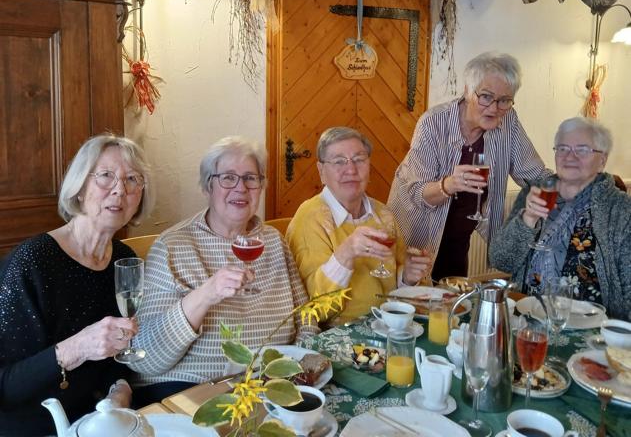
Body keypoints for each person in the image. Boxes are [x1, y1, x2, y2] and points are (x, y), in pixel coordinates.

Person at [130, 136, 318, 405]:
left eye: (250, 178)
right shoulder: (173, 246)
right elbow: (146, 357)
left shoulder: (273, 241)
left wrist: (301, 365)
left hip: (270, 383)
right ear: (208, 186)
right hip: (192, 388)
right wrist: (207, 294)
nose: (241, 188)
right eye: (228, 178)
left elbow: (306, 316)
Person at [0, 134, 154, 436]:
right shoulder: (32, 263)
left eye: (132, 179)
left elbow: (118, 356)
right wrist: (78, 347)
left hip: (95, 422)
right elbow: (5, 386)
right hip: (32, 426)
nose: (120, 190)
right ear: (80, 188)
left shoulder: (124, 259)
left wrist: (120, 392)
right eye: (106, 175)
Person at [387, 51, 550, 281]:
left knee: (451, 298)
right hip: (416, 236)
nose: (494, 108)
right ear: (467, 91)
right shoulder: (434, 122)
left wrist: (575, 183)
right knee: (413, 297)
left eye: (504, 100)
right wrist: (449, 185)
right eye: (486, 96)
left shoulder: (508, 120)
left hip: (458, 238)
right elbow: (417, 193)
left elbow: (535, 175)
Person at [285, 127, 432, 326]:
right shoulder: (310, 219)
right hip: (340, 333)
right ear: (321, 171)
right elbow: (315, 310)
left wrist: (407, 277)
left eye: (359, 159)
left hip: (386, 324)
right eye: (339, 161)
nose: (351, 170)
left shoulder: (383, 214)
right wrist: (346, 253)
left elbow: (396, 287)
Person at [489, 117, 631, 320]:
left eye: (582, 149)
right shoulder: (534, 193)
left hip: (591, 329)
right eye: (563, 148)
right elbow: (501, 261)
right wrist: (527, 219)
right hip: (529, 320)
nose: (570, 156)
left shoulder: (621, 210)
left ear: (602, 161)